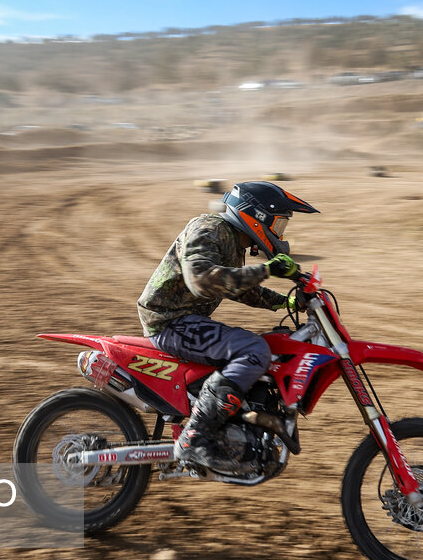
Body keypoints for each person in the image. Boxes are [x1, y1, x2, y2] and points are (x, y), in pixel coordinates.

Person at [137, 181, 320, 471]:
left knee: (273, 345)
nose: (280, 233)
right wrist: (266, 270)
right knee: (253, 350)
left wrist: (285, 302)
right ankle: (194, 438)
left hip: (187, 321)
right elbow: (202, 280)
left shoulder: (232, 239)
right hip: (169, 321)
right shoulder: (209, 229)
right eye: (278, 224)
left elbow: (237, 287)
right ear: (258, 216)